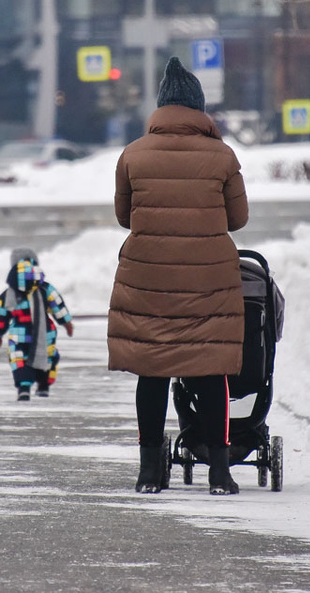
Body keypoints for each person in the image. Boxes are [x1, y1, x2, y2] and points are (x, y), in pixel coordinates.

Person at [108, 57, 249, 495]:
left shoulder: (133, 154)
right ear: (198, 108)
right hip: (208, 282)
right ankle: (220, 472)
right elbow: (238, 220)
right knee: (210, 370)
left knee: (152, 371)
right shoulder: (222, 156)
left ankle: (149, 471)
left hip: (149, 280)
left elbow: (124, 216)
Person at [0, 248, 74, 401]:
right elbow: (58, 306)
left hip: (19, 334)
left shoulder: (9, 294)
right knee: (48, 355)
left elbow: (1, 315)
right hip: (45, 332)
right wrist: (66, 323)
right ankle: (43, 386)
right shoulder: (45, 288)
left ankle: (24, 388)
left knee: (18, 359)